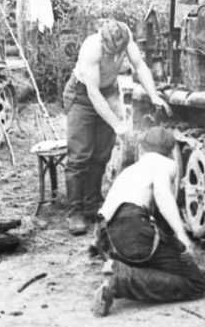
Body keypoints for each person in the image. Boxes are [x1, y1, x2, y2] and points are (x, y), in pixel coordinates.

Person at [63, 19, 172, 236]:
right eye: (111, 52)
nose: (115, 57)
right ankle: (75, 212)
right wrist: (117, 124)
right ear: (103, 41)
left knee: (102, 152)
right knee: (80, 154)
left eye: (119, 52)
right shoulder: (91, 48)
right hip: (82, 95)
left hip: (109, 92)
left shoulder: (126, 37)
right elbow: (93, 93)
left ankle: (92, 203)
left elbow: (140, 66)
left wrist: (154, 96)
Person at [91, 127, 205, 317]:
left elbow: (104, 214)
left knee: (157, 253)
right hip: (133, 230)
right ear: (171, 152)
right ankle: (121, 280)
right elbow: (163, 196)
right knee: (196, 282)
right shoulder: (166, 164)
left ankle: (119, 268)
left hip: (107, 238)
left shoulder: (131, 170)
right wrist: (183, 237)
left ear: (142, 149)